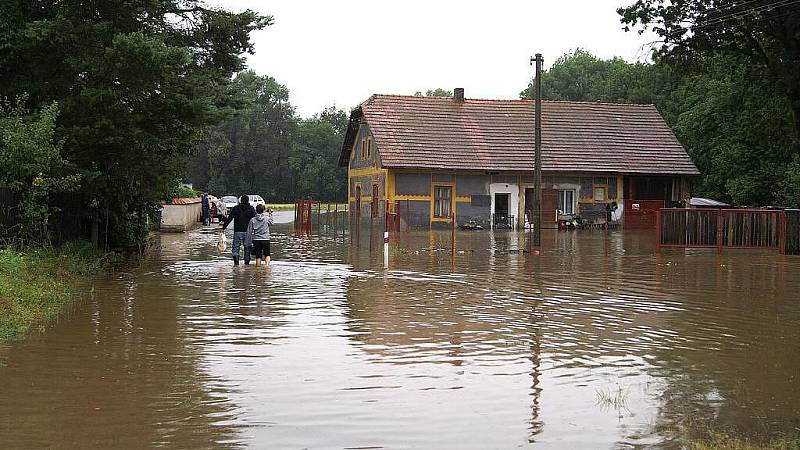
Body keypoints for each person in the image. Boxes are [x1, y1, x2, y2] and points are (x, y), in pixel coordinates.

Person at [222, 195, 256, 265]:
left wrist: (223, 227)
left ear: (240, 201)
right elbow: (255, 220)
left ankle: (236, 263)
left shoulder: (236, 208)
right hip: (248, 232)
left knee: (236, 247)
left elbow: (229, 218)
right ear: (248, 201)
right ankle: (246, 264)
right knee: (247, 248)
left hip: (237, 231)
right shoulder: (251, 209)